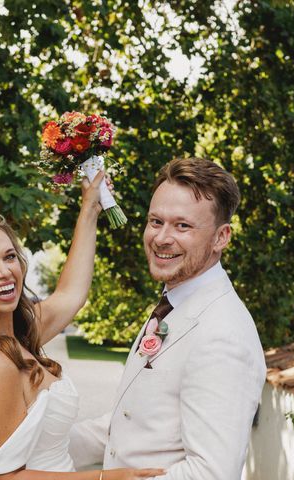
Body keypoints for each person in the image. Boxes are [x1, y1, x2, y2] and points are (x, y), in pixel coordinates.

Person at [0, 170, 164, 480]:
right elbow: (7, 479)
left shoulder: (13, 333)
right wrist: (108, 477)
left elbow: (70, 294)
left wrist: (90, 207)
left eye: (9, 256)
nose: (4, 271)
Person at [69, 157, 267, 479]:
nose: (161, 238)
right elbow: (136, 424)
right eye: (156, 221)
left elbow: (210, 473)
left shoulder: (222, 334)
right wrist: (38, 452)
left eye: (182, 225)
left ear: (221, 237)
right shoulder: (174, 302)